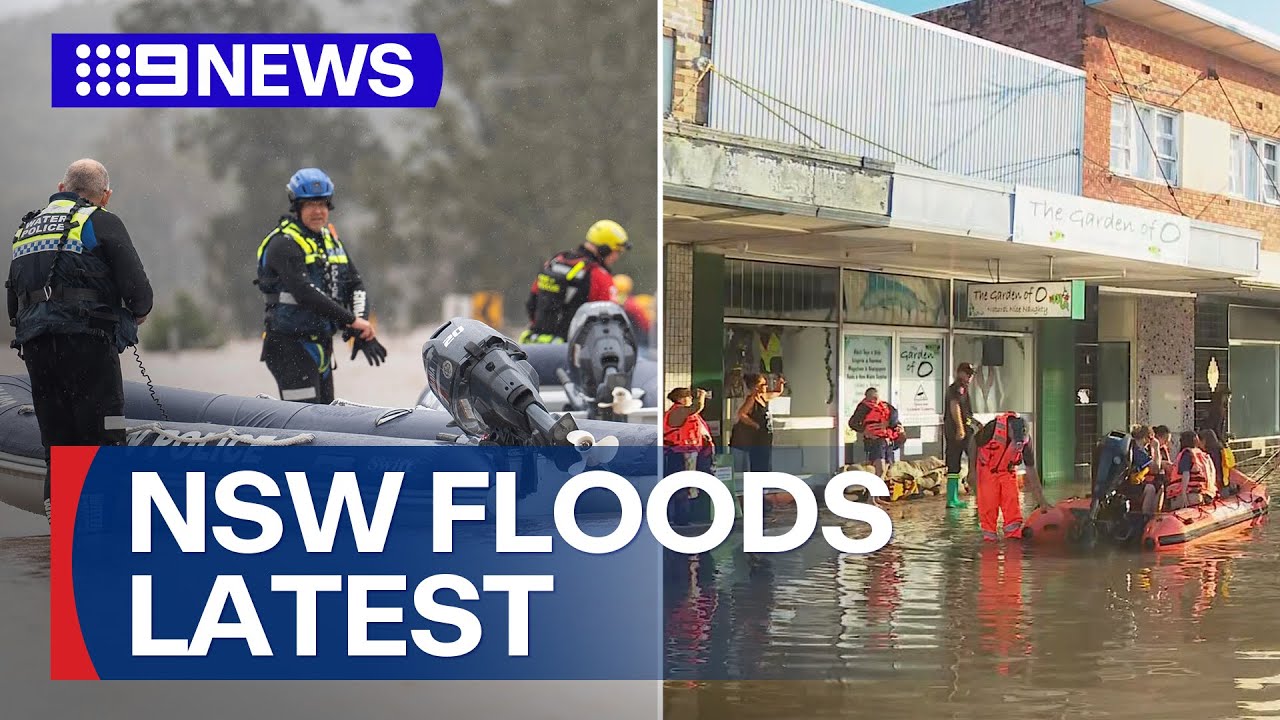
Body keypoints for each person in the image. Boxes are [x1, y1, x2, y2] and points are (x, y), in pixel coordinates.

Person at [7, 158, 153, 523]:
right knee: (104, 434)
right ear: (105, 196)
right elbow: (139, 292)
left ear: (61, 188)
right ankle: (106, 525)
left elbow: (13, 299)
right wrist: (136, 312)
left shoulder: (27, 227)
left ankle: (61, 519)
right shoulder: (101, 221)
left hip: (37, 346)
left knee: (57, 440)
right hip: (88, 343)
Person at [255, 168, 385, 405]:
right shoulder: (283, 244)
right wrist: (351, 320)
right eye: (310, 205)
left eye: (323, 204)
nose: (318, 211)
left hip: (322, 344)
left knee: (326, 415)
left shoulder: (331, 241)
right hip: (289, 346)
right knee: (304, 420)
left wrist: (360, 324)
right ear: (297, 207)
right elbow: (305, 293)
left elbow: (355, 284)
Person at [521, 219, 630, 344]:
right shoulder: (599, 275)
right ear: (605, 249)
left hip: (535, 343)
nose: (617, 257)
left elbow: (532, 301)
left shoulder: (555, 261)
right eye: (617, 251)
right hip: (570, 351)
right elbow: (611, 319)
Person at [972, 410, 1048, 541]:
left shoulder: (1025, 441)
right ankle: (989, 543)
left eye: (1019, 442)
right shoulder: (992, 428)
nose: (1016, 444)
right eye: (1015, 440)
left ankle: (1013, 540)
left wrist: (1041, 501)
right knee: (988, 508)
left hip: (1008, 472)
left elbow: (1031, 469)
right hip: (987, 471)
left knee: (1012, 506)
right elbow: (973, 442)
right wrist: (971, 471)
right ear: (1010, 430)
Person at [729, 372, 785, 474]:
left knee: (765, 462)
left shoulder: (763, 396)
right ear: (756, 387)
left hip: (765, 437)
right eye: (763, 384)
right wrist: (755, 424)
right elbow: (741, 414)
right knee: (758, 463)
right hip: (757, 438)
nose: (766, 386)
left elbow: (777, 392)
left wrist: (780, 383)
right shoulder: (752, 399)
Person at [848, 387, 905, 480]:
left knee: (886, 470)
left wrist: (901, 432)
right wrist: (865, 431)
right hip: (875, 442)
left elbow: (895, 422)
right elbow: (852, 423)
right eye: (872, 398)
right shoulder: (863, 408)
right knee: (880, 470)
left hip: (888, 441)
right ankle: (875, 492)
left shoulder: (886, 407)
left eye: (876, 398)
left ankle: (878, 492)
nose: (875, 400)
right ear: (866, 398)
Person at [943, 362, 979, 509]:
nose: (969, 376)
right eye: (967, 373)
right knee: (972, 460)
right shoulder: (957, 388)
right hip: (958, 431)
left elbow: (966, 413)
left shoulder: (963, 388)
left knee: (955, 463)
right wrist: (960, 428)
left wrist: (976, 423)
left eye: (971, 374)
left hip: (961, 429)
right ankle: (976, 496)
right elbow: (955, 407)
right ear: (959, 372)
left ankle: (953, 498)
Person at [664, 387, 714, 475]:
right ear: (681, 399)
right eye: (689, 397)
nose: (691, 399)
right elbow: (697, 407)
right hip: (681, 452)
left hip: (695, 450)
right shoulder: (678, 411)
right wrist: (702, 395)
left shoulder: (687, 412)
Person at [1167, 430, 1217, 510]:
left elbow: (1186, 474)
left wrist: (1183, 494)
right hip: (1206, 493)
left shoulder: (1187, 454)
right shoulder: (1203, 455)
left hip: (1190, 494)